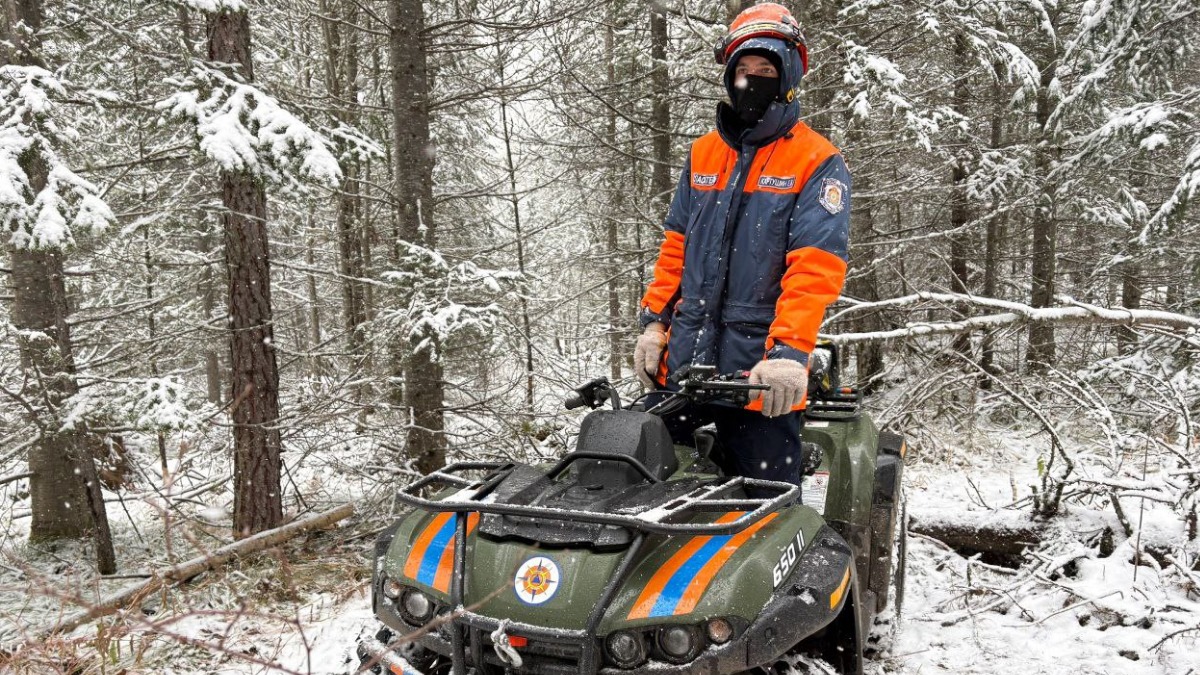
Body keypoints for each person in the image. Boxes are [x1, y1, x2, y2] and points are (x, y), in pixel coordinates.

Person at [633, 3, 850, 489]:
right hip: (684, 370)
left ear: (789, 74)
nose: (751, 81)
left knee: (764, 512)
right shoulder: (703, 153)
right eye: (743, 71)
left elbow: (813, 269)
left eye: (766, 70)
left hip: (760, 379)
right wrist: (653, 325)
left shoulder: (816, 160)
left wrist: (790, 353)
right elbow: (676, 250)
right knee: (626, 474)